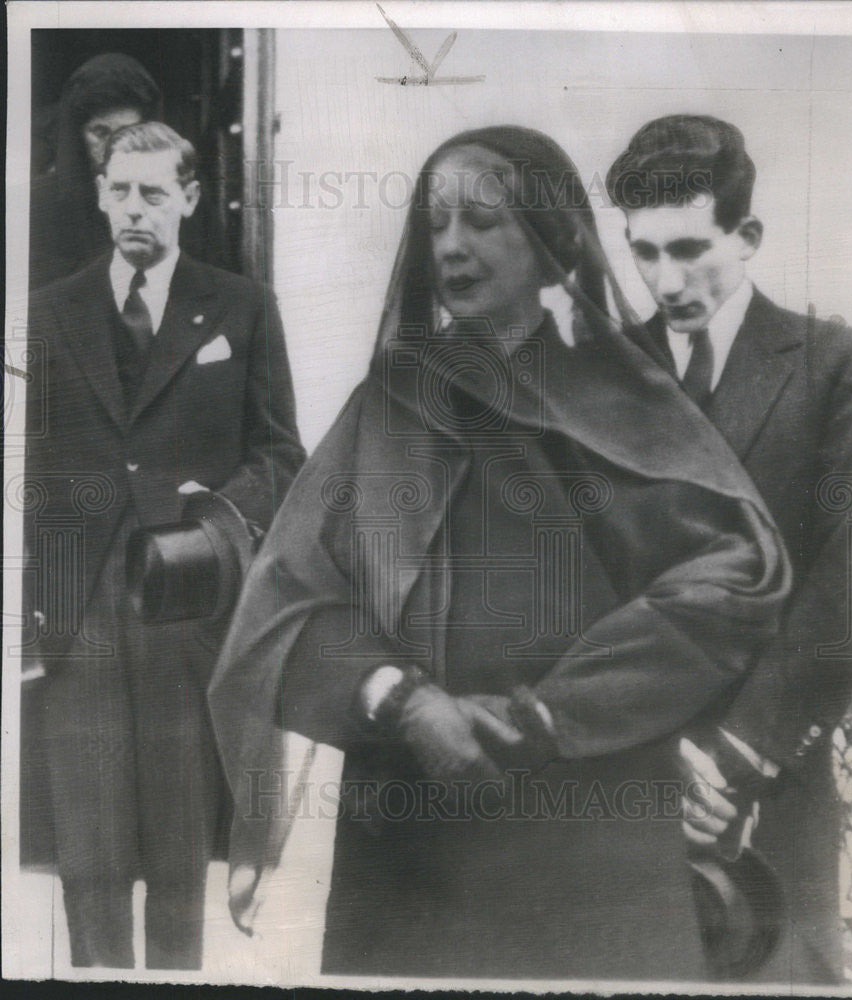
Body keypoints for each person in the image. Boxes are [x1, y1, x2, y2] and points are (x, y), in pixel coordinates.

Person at [209, 125, 790, 981]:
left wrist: (537, 719)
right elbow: (290, 600)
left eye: (483, 221)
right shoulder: (391, 405)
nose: (451, 246)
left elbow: (730, 583)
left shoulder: (629, 396)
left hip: (589, 826)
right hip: (409, 833)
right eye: (436, 223)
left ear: (550, 236)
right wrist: (402, 699)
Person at [23, 121, 305, 968]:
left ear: (188, 197)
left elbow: (281, 454)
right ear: (100, 194)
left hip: (185, 605)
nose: (134, 209)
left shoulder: (242, 306)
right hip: (80, 611)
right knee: (91, 854)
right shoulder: (48, 311)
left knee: (180, 852)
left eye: (153, 192)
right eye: (119, 190)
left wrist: (216, 510)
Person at [606, 114, 852, 983]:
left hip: (774, 777)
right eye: (643, 253)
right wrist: (651, 752)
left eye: (688, 248)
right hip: (624, 783)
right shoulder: (596, 377)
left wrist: (736, 753)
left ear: (746, 236)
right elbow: (572, 580)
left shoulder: (833, 365)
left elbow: (847, 578)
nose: (664, 279)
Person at [29, 52, 224, 289]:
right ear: (78, 136)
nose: (113, 146)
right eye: (100, 132)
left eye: (130, 130)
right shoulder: (38, 207)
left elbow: (215, 291)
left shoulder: (181, 196)